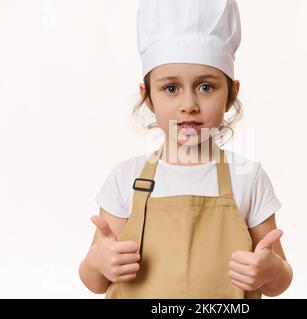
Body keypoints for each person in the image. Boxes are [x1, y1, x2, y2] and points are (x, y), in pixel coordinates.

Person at [79, 0, 293, 298]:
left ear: (231, 95)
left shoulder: (248, 178)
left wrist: (271, 269)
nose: (189, 105)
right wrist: (98, 262)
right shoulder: (126, 177)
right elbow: (95, 281)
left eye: (206, 87)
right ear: (149, 97)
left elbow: (278, 281)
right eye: (171, 88)